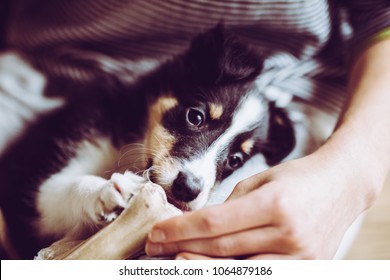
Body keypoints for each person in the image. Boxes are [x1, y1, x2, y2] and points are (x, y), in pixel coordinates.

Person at [1, 0, 389, 259]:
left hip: (298, 89)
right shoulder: (104, 112)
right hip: (51, 62)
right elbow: (39, 202)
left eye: (232, 157)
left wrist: (352, 176)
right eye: (196, 119)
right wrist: (91, 197)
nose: (195, 178)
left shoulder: (264, 128)